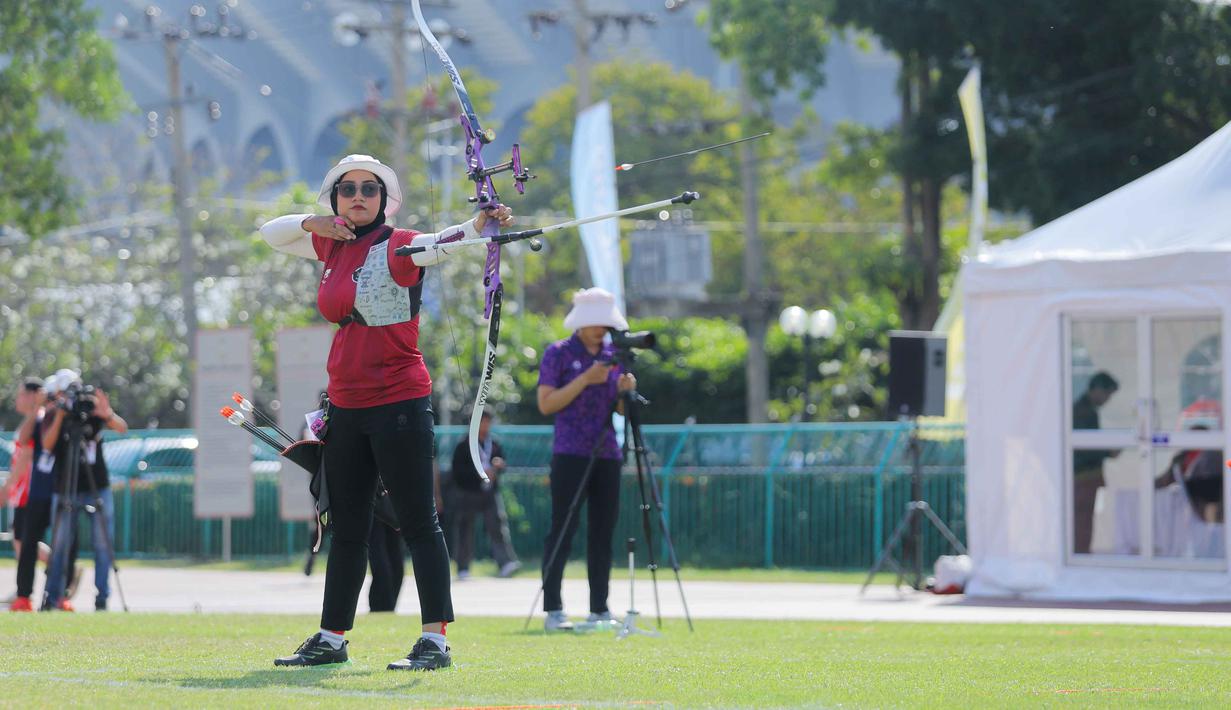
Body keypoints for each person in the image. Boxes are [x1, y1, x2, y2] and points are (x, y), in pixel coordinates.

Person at [259, 154, 513, 670]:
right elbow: (270, 231)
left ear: (383, 200)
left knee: (419, 521)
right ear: (334, 200)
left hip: (398, 402)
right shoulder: (328, 245)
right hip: (346, 405)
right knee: (348, 526)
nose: (358, 197)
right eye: (347, 189)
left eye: (369, 189)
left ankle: (435, 640)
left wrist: (478, 225)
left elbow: (442, 245)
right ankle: (332, 637)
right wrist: (314, 223)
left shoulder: (399, 244)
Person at [536, 288, 636, 631]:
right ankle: (553, 609)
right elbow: (547, 404)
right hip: (569, 452)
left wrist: (625, 391)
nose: (600, 329)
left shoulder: (615, 355)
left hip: (607, 451)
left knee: (602, 531)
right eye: (594, 323)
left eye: (604, 324)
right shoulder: (559, 354)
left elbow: (622, 410)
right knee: (563, 527)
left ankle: (600, 608)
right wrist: (585, 379)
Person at [41, 371, 127, 612]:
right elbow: (47, 444)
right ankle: (53, 596)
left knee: (103, 544)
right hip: (65, 486)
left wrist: (106, 414)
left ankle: (102, 597)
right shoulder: (53, 413)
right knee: (60, 545)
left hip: (96, 486)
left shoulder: (90, 409)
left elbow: (122, 428)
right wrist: (59, 416)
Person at [450, 409, 520, 580]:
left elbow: (502, 465)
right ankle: (463, 568)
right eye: (482, 421)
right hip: (468, 493)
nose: (486, 425)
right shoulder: (463, 445)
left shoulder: (494, 443)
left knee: (497, 527)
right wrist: (480, 472)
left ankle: (505, 563)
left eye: (488, 421)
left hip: (489, 492)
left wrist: (499, 467)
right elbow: (458, 473)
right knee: (465, 529)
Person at [4, 378, 51, 610]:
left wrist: (6, 488)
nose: (17, 399)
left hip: (28, 493)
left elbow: (25, 457)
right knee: (21, 540)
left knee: (26, 542)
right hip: (20, 492)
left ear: (34, 395)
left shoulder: (39, 419)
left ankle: (62, 570)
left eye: (21, 394)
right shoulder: (31, 420)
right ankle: (23, 587)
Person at [1072, 371, 1119, 554]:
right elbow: (1085, 447)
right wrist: (1107, 451)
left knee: (1085, 518)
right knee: (1082, 519)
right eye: (1107, 394)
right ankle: (1081, 552)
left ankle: (1082, 551)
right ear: (1098, 389)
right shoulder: (1083, 412)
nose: (1107, 399)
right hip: (1083, 476)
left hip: (1086, 476)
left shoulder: (1086, 409)